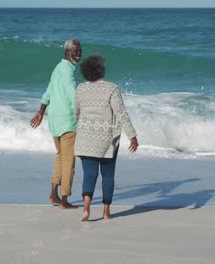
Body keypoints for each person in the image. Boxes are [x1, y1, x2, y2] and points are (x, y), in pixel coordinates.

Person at [74, 55, 138, 221]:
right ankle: (106, 212)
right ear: (101, 71)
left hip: (85, 138)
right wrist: (132, 135)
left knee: (89, 174)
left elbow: (76, 114)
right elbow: (121, 113)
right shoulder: (112, 88)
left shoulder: (80, 88)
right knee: (108, 175)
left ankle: (86, 209)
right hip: (107, 140)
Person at [30, 39, 82, 209]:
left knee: (60, 156)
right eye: (76, 50)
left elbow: (48, 92)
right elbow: (73, 94)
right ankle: (65, 200)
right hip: (68, 122)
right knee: (69, 161)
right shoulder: (68, 72)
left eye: (80, 50)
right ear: (68, 51)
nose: (79, 53)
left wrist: (40, 111)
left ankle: (54, 194)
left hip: (55, 121)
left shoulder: (58, 68)